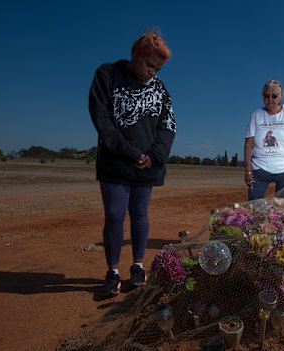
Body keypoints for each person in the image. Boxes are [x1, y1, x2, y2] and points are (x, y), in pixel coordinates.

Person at [88, 29, 176, 299]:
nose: (153, 72)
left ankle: (138, 267)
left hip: (145, 165)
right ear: (137, 55)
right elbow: (102, 119)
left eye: (158, 68)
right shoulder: (108, 74)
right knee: (114, 215)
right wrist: (130, 152)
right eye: (150, 65)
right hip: (116, 162)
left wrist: (154, 155)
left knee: (140, 215)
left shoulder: (159, 88)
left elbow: (168, 126)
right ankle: (112, 272)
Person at [244, 79, 284, 200]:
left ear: (282, 96)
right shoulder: (256, 114)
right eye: (266, 96)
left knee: (283, 207)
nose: (270, 99)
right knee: (253, 205)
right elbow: (248, 144)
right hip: (260, 169)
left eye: (274, 96)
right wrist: (248, 172)